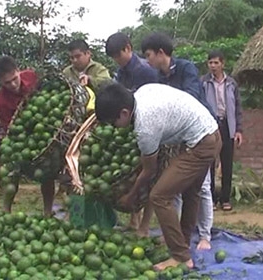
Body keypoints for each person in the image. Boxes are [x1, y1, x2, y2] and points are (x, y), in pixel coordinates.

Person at [95, 82, 221, 270]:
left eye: (113, 122)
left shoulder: (145, 127)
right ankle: (183, 242)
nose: (114, 127)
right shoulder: (142, 90)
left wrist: (131, 196)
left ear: (123, 113)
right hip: (212, 132)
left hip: (200, 145)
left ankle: (180, 257)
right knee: (191, 192)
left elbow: (149, 171)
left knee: (159, 196)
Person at [139, 32, 214, 250]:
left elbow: (190, 96)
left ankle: (204, 236)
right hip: (179, 137)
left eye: (149, 55)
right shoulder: (159, 77)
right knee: (177, 189)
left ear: (161, 53)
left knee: (202, 188)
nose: (147, 60)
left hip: (201, 133)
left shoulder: (186, 68)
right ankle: (178, 235)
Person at [0, 56, 60, 217]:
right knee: (11, 172)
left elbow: (47, 94)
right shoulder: (1, 101)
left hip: (46, 131)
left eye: (14, 79)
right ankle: (6, 211)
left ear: (18, 71)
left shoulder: (31, 76)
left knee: (48, 172)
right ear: (1, 82)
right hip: (22, 140)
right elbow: (12, 130)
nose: (13, 84)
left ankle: (47, 211)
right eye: (7, 83)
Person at [105, 32, 158, 230]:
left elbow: (150, 98)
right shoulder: (122, 72)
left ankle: (144, 224)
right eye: (114, 58)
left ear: (128, 48)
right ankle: (134, 220)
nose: (117, 61)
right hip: (130, 127)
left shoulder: (144, 70)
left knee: (149, 176)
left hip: (148, 128)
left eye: (118, 56)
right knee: (132, 174)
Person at [203, 50, 243, 211]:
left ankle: (225, 199)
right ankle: (211, 199)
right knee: (209, 163)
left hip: (228, 125)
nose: (213, 66)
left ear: (222, 64)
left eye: (216, 63)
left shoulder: (232, 84)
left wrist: (239, 130)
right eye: (210, 63)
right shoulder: (204, 82)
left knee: (227, 163)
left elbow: (238, 108)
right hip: (210, 126)